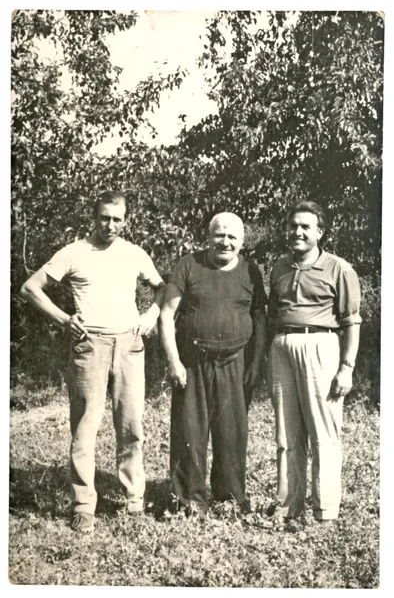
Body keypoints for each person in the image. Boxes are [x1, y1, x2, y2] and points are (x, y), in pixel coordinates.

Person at [20, 190, 165, 533]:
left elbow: (163, 288)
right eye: (104, 217)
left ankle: (133, 500)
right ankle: (83, 505)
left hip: (129, 346)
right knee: (85, 429)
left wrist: (151, 316)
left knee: (132, 427)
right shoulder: (74, 252)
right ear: (94, 217)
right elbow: (30, 288)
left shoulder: (134, 253)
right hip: (89, 347)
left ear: (125, 221)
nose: (110, 225)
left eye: (117, 219)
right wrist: (63, 319)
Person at [159, 212, 267, 515]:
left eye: (232, 237)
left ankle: (229, 498)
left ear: (242, 242)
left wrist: (256, 362)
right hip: (192, 362)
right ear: (208, 237)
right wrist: (173, 361)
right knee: (188, 432)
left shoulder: (250, 271)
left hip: (235, 362)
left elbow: (259, 318)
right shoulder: (189, 265)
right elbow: (167, 315)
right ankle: (187, 500)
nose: (226, 241)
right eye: (219, 235)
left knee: (232, 433)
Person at [267, 201, 361, 525]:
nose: (298, 232)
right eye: (293, 225)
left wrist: (346, 367)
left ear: (320, 232)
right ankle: (288, 507)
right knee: (286, 435)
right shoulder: (278, 267)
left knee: (323, 432)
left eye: (306, 226)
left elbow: (351, 321)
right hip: (281, 346)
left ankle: (325, 512)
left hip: (320, 345)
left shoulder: (339, 268)